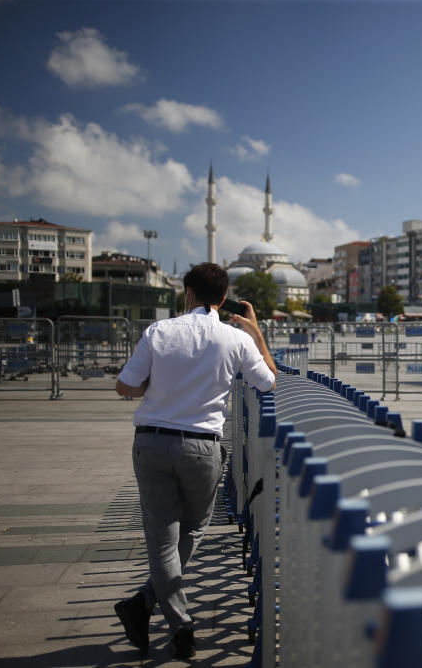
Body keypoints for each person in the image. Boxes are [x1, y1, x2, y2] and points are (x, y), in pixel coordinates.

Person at [112, 262, 277, 659]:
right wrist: (257, 334)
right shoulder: (234, 338)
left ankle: (155, 609)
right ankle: (171, 619)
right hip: (202, 447)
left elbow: (125, 386)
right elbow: (269, 381)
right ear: (223, 300)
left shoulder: (159, 331)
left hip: (151, 443)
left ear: (187, 293)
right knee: (194, 529)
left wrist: (159, 388)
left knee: (161, 537)